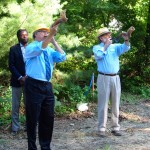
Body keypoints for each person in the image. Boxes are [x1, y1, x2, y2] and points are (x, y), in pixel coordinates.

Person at [24, 24, 66, 150]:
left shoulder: (49, 50)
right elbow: (40, 47)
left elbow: (63, 57)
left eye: (46, 32)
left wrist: (53, 40)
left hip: (47, 86)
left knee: (48, 118)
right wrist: (51, 35)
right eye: (42, 31)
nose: (45, 33)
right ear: (35, 34)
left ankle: (45, 146)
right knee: (32, 118)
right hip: (33, 85)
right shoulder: (31, 47)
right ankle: (32, 147)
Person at [93, 27, 131, 137]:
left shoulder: (115, 47)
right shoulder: (97, 48)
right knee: (103, 104)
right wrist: (106, 46)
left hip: (115, 78)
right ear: (101, 38)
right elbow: (99, 56)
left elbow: (126, 48)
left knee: (115, 103)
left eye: (109, 34)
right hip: (103, 77)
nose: (108, 36)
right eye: (105, 35)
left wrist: (126, 39)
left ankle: (115, 127)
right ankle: (101, 129)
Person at [8, 29, 28, 135]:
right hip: (17, 82)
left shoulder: (32, 48)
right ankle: (15, 128)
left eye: (26, 34)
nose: (25, 36)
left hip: (30, 82)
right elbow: (11, 65)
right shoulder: (13, 49)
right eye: (22, 35)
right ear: (18, 37)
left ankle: (29, 126)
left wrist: (27, 77)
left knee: (28, 105)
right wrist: (20, 77)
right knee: (15, 106)